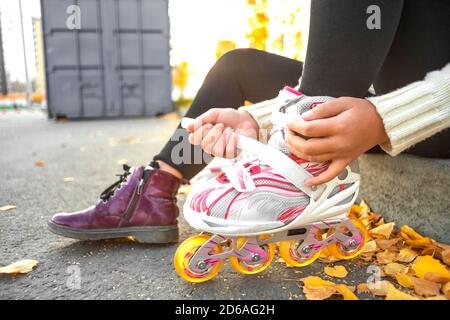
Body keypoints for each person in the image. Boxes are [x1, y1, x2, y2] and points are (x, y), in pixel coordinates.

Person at [48, 0, 450, 243]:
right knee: (236, 66)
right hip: (382, 92)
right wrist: (255, 122)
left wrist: (386, 118)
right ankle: (155, 189)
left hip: (434, 115)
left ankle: (300, 161)